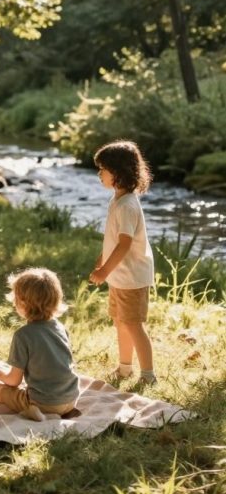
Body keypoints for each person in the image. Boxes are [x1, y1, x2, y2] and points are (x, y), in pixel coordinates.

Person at [90, 139, 156, 385]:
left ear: (117, 173)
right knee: (121, 322)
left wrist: (105, 270)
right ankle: (125, 368)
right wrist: (103, 260)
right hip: (120, 274)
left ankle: (148, 375)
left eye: (103, 169)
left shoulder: (127, 205)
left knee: (134, 324)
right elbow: (114, 240)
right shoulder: (117, 199)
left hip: (132, 276)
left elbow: (125, 243)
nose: (100, 174)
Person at [0, 267, 79, 421]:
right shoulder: (60, 327)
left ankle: (35, 411)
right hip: (71, 398)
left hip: (44, 403)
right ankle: (57, 410)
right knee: (34, 389)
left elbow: (14, 381)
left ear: (21, 303)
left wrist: (1, 376)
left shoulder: (23, 335)